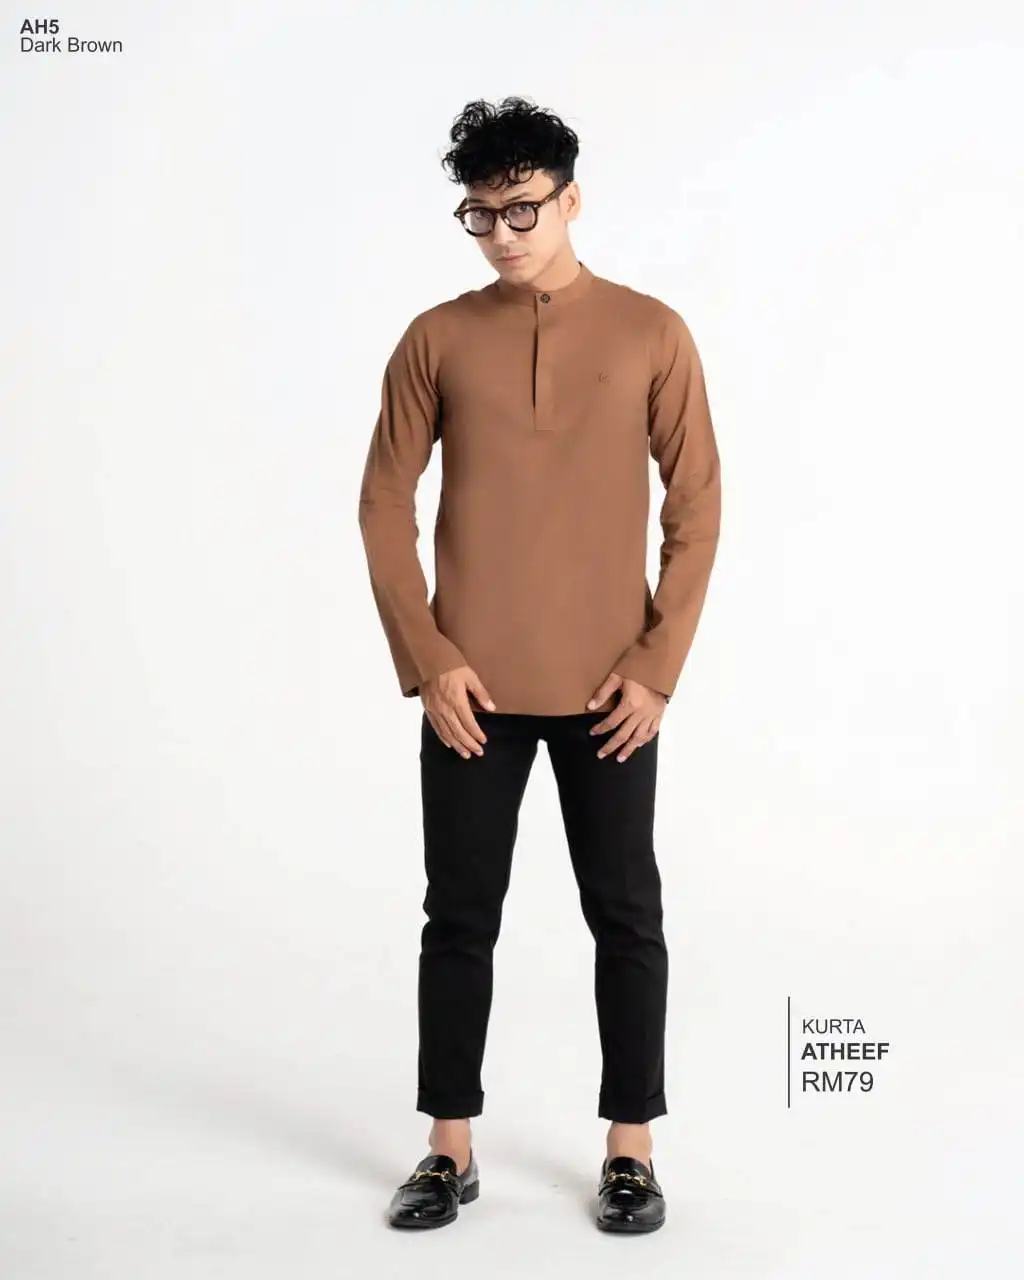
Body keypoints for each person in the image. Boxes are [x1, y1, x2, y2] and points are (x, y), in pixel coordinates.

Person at [357, 95, 722, 1233]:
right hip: (469, 692)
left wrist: (657, 667)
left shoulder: (652, 330)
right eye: (480, 214)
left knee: (627, 914)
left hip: (613, 691)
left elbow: (697, 507)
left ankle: (630, 1149)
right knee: (458, 916)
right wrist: (429, 660)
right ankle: (447, 1147)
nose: (503, 234)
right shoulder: (434, 337)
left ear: (571, 200)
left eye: (522, 209)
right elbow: (381, 506)